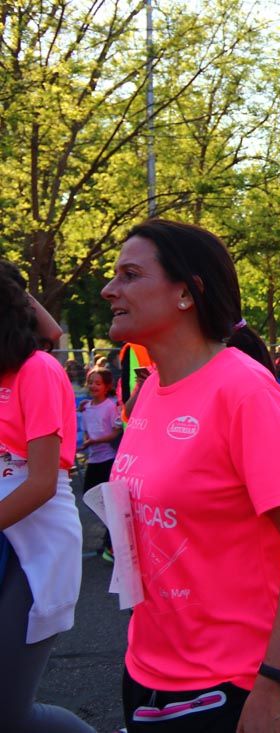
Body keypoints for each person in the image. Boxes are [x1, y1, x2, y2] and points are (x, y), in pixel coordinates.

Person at [101, 219, 280, 732]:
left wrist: (274, 681)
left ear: (187, 293)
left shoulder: (245, 391)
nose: (109, 289)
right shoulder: (148, 393)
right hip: (148, 665)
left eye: (130, 274)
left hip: (234, 680)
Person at [0, 261, 94, 733]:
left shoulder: (37, 371)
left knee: (9, 713)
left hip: (35, 541)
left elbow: (38, 483)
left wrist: (13, 289)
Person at [80, 367, 123, 562]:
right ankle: (111, 538)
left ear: (107, 387)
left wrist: (95, 442)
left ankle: (112, 542)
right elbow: (87, 430)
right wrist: (88, 441)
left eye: (98, 383)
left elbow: (115, 433)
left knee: (108, 502)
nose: (93, 386)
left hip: (107, 460)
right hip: (93, 459)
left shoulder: (109, 406)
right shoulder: (86, 406)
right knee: (90, 497)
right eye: (91, 382)